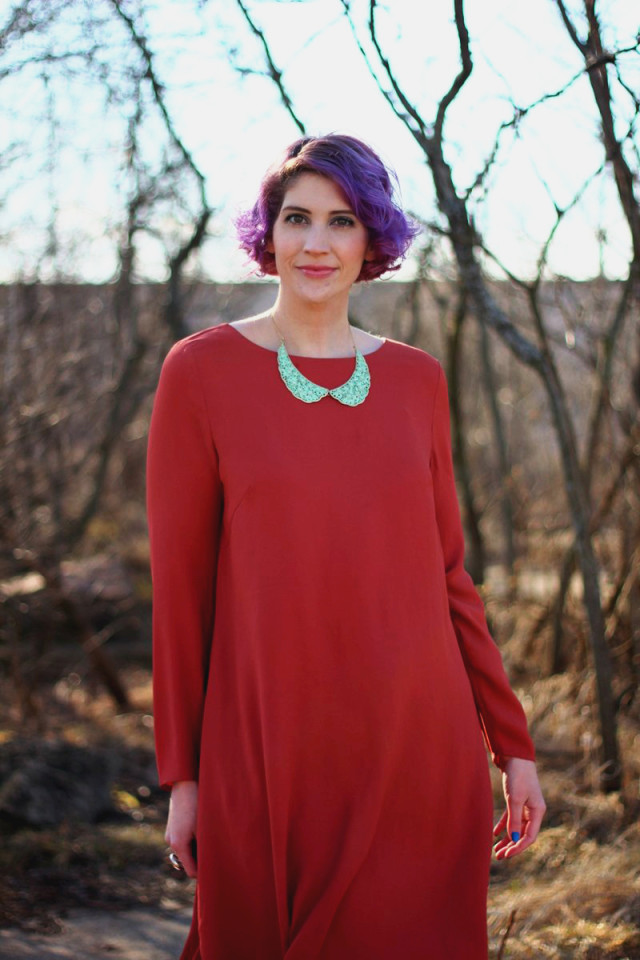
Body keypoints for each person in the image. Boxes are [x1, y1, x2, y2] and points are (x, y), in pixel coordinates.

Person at [146, 134, 545, 960]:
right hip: (267, 752)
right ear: (270, 234)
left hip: (417, 751)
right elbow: (181, 592)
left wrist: (513, 746)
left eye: (343, 220)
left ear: (373, 242)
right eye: (297, 218)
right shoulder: (201, 372)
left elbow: (447, 576)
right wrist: (182, 779)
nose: (317, 243)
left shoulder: (417, 380)